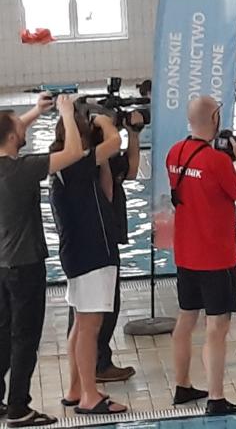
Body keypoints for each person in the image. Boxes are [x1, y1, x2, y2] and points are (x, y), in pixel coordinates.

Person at [167, 96, 236, 416]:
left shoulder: (174, 153)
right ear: (215, 118)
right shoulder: (217, 161)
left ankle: (182, 386)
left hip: (185, 253)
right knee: (217, 325)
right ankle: (216, 398)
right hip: (216, 256)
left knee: (186, 318)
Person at [0, 95, 80, 428]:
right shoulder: (23, 169)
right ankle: (18, 408)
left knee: (3, 335)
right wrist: (67, 113)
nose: (25, 127)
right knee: (25, 339)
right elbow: (73, 152)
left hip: (2, 266)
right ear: (11, 136)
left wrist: (36, 110)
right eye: (21, 126)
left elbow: (10, 130)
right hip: (25, 266)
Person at [50, 111, 127, 416]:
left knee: (81, 324)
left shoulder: (70, 168)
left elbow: (106, 192)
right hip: (90, 255)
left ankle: (75, 390)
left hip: (81, 255)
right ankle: (89, 397)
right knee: (89, 328)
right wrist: (104, 122)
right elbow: (116, 141)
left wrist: (100, 158)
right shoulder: (73, 164)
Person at [65, 111, 143, 384]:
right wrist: (107, 124)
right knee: (90, 315)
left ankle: (90, 371)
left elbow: (131, 169)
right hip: (91, 246)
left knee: (102, 309)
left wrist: (133, 134)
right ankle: (92, 369)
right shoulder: (80, 162)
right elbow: (112, 150)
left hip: (105, 240)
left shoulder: (103, 158)